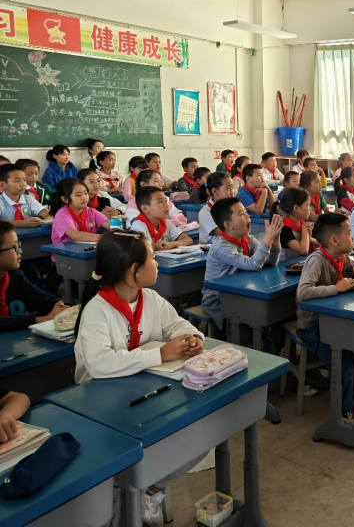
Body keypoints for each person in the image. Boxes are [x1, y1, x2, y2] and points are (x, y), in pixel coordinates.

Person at [72, 229, 205, 526]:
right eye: (153, 259)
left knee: (200, 434)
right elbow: (98, 364)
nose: (157, 264)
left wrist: (193, 338)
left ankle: (151, 489)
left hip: (144, 395)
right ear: (134, 270)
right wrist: (160, 354)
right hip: (101, 408)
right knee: (121, 470)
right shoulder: (97, 310)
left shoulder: (151, 299)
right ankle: (128, 502)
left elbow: (178, 325)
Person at [295, 213, 354, 424]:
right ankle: (344, 413)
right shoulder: (317, 260)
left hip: (339, 321)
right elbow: (302, 293)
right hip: (314, 327)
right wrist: (336, 288)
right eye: (349, 233)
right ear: (334, 240)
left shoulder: (342, 258)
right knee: (344, 365)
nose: (353, 236)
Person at [200, 198, 283, 332]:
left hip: (241, 291)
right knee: (244, 324)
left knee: (269, 313)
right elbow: (254, 264)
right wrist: (268, 238)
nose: (247, 215)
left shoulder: (248, 239)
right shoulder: (222, 247)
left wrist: (275, 239)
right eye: (241, 214)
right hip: (217, 298)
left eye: (245, 211)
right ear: (228, 225)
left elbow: (269, 262)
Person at [0, 221, 68, 331]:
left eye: (19, 245)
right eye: (14, 247)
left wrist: (60, 308)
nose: (20, 251)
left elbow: (44, 301)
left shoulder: (15, 277)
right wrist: (39, 319)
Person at [50, 179, 111, 252]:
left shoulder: (92, 211)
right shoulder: (62, 215)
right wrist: (105, 238)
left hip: (87, 251)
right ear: (65, 199)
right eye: (78, 195)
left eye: (85, 193)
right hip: (66, 255)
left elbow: (111, 226)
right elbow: (75, 235)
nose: (84, 197)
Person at [275, 187, 316, 260]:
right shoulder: (284, 228)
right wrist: (305, 230)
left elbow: (316, 241)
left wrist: (310, 238)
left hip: (301, 263)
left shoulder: (301, 223)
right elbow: (303, 250)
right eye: (308, 205)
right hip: (287, 265)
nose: (310, 209)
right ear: (296, 208)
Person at [198, 172, 233, 244]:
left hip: (229, 245)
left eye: (232, 187)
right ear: (215, 191)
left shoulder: (232, 207)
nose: (232, 192)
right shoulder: (205, 212)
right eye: (228, 188)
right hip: (211, 248)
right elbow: (225, 235)